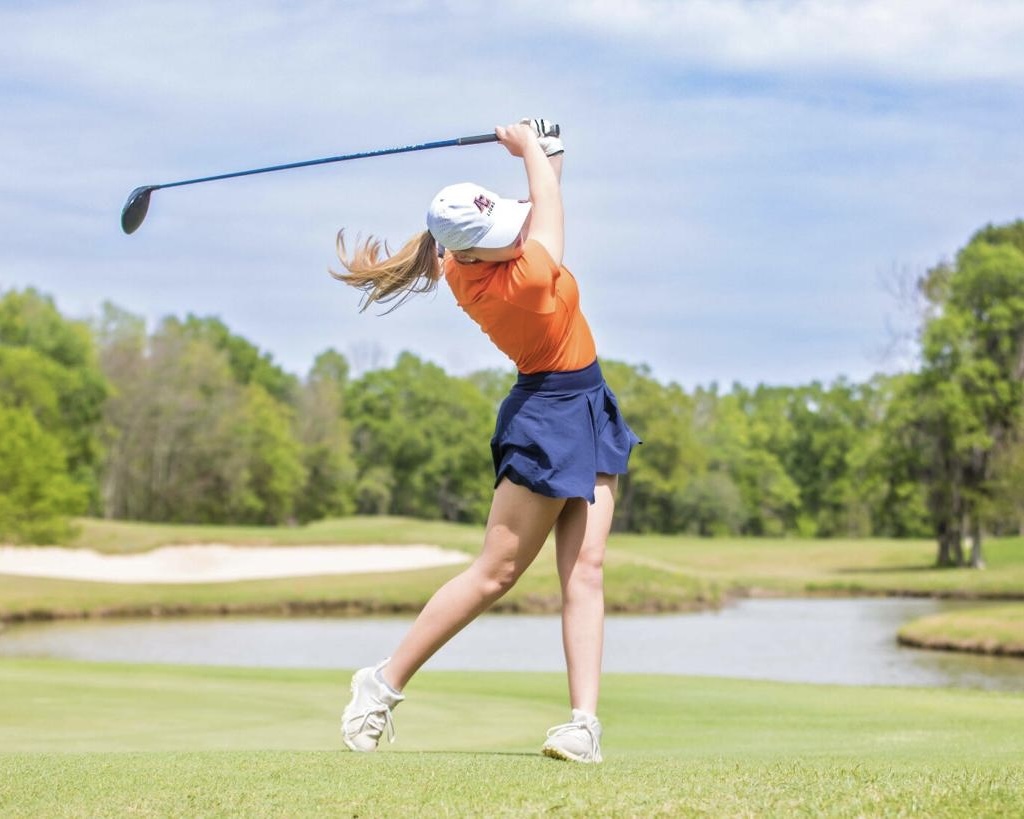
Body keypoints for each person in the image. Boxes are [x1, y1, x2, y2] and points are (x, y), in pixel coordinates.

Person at [332, 118, 639, 764]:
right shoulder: (521, 280)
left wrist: (547, 150)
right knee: (495, 572)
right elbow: (546, 212)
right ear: (469, 256)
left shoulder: (466, 257)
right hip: (546, 416)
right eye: (498, 236)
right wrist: (531, 148)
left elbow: (535, 202)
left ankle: (584, 724)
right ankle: (380, 684)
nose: (513, 230)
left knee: (586, 570)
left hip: (587, 401)